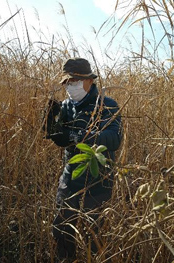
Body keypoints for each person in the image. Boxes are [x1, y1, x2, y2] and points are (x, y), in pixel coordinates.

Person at [43, 57, 122, 261]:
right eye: (68, 83)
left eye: (76, 81)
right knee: (61, 230)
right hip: (70, 177)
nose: (71, 86)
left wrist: (77, 136)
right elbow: (62, 139)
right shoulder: (66, 106)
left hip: (98, 181)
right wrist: (52, 129)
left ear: (90, 81)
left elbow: (114, 139)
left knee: (93, 237)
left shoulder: (107, 106)